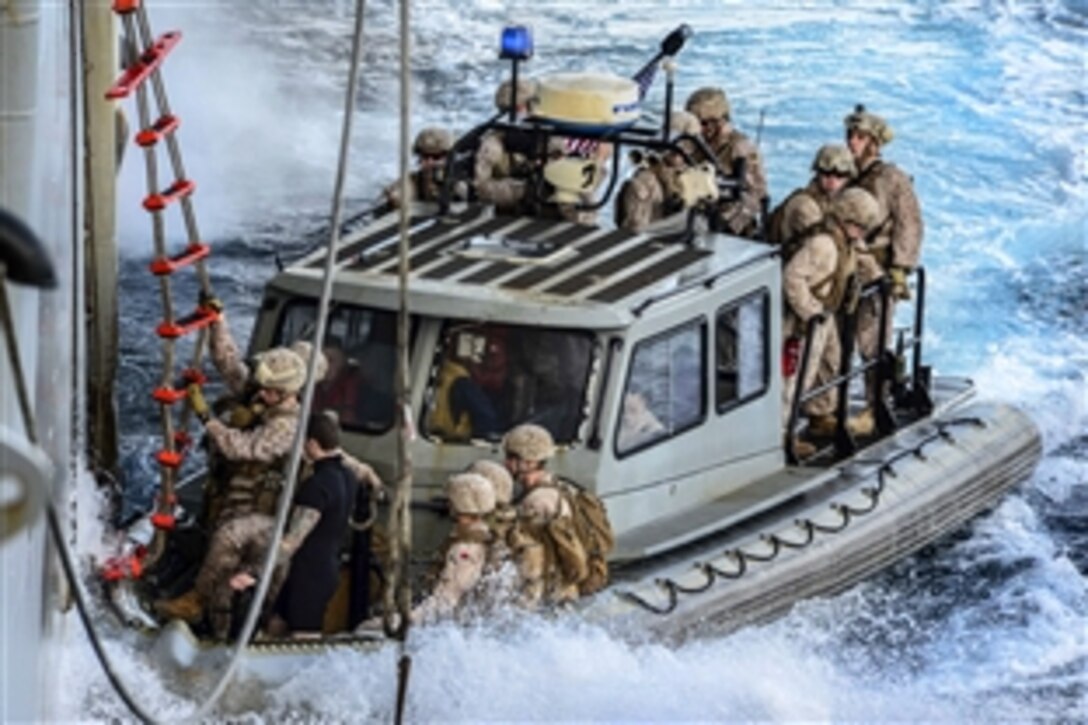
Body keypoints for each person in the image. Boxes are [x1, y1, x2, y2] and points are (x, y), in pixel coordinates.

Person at [843, 105, 925, 436]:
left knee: (872, 340)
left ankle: (876, 407)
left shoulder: (891, 178)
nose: (852, 142)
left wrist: (901, 268)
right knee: (840, 338)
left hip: (877, 267)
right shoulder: (845, 172)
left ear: (875, 142)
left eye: (860, 137)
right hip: (847, 264)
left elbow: (910, 225)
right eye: (850, 135)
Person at [782, 187, 881, 455]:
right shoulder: (823, 245)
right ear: (844, 220)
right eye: (857, 226)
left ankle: (820, 414)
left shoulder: (844, 242)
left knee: (831, 363)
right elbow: (793, 277)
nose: (861, 232)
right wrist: (810, 311)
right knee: (797, 376)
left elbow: (858, 263)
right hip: (807, 320)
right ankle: (782, 436)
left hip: (824, 315)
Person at [267, 412, 356, 638]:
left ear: (312, 444)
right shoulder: (348, 476)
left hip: (310, 575)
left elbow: (292, 541)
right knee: (276, 624)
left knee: (303, 637)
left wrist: (256, 573)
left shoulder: (316, 486)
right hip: (327, 565)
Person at [502, 423, 590, 607]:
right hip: (563, 591)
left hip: (547, 594)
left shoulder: (536, 502)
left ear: (529, 462)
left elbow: (531, 559)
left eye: (511, 457)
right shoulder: (560, 487)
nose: (506, 463)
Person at [406, 472, 511, 624]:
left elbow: (447, 599)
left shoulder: (466, 547)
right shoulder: (487, 536)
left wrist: (407, 619)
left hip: (454, 623)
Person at [685, 86, 768, 238]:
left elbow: (756, 194)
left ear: (718, 122)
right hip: (691, 213)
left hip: (726, 223)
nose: (699, 129)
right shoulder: (694, 143)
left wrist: (726, 222)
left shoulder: (739, 148)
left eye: (703, 123)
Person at [615, 111, 717, 232]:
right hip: (649, 239)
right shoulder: (646, 181)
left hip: (665, 237)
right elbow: (634, 230)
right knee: (696, 222)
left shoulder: (685, 175)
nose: (686, 153)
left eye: (689, 147)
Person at [767, 143, 857, 250]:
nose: (832, 180)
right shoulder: (804, 204)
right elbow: (822, 243)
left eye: (840, 175)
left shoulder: (839, 203)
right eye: (827, 173)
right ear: (818, 173)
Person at [474, 78, 540, 215]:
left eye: (518, 108)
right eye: (507, 110)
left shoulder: (548, 133)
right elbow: (481, 185)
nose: (514, 114)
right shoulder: (495, 141)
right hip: (509, 209)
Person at [381, 127, 464, 209]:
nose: (430, 162)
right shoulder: (414, 181)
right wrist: (396, 196)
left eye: (436, 157)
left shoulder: (462, 177)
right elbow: (402, 192)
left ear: (449, 157)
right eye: (425, 156)